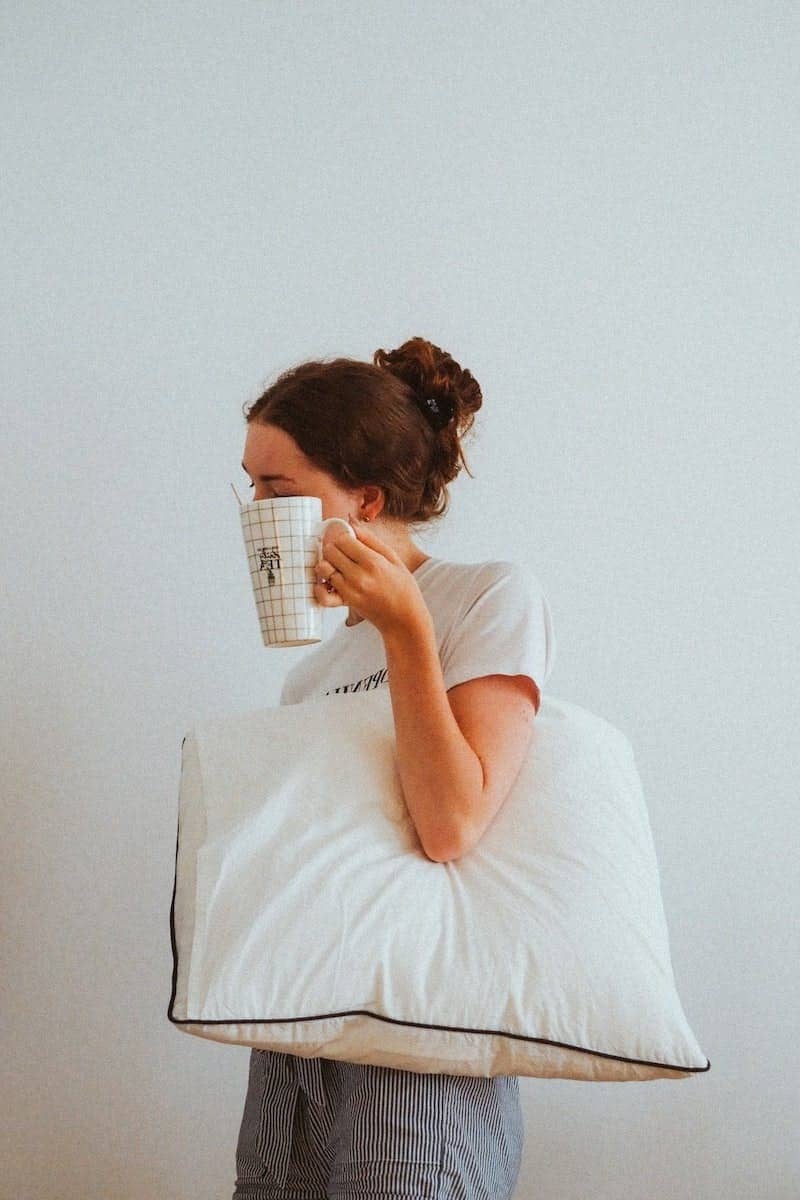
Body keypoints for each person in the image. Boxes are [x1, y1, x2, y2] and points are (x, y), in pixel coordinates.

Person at [232, 336, 556, 1199]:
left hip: (421, 1041)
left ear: (364, 498)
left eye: (278, 488)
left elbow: (453, 824)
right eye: (249, 484)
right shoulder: (311, 670)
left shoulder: (487, 596)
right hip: (300, 1038)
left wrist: (405, 627)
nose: (253, 508)